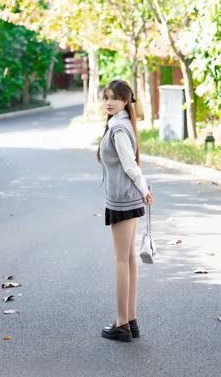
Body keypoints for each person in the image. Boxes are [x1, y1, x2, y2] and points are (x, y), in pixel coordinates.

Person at [97, 78, 154, 343]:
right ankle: (131, 320)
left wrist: (144, 188)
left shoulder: (118, 128)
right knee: (129, 260)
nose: (108, 102)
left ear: (125, 100)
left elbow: (130, 165)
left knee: (122, 260)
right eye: (105, 97)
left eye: (114, 98)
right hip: (128, 198)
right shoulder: (123, 124)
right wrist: (141, 191)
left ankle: (121, 323)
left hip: (122, 200)